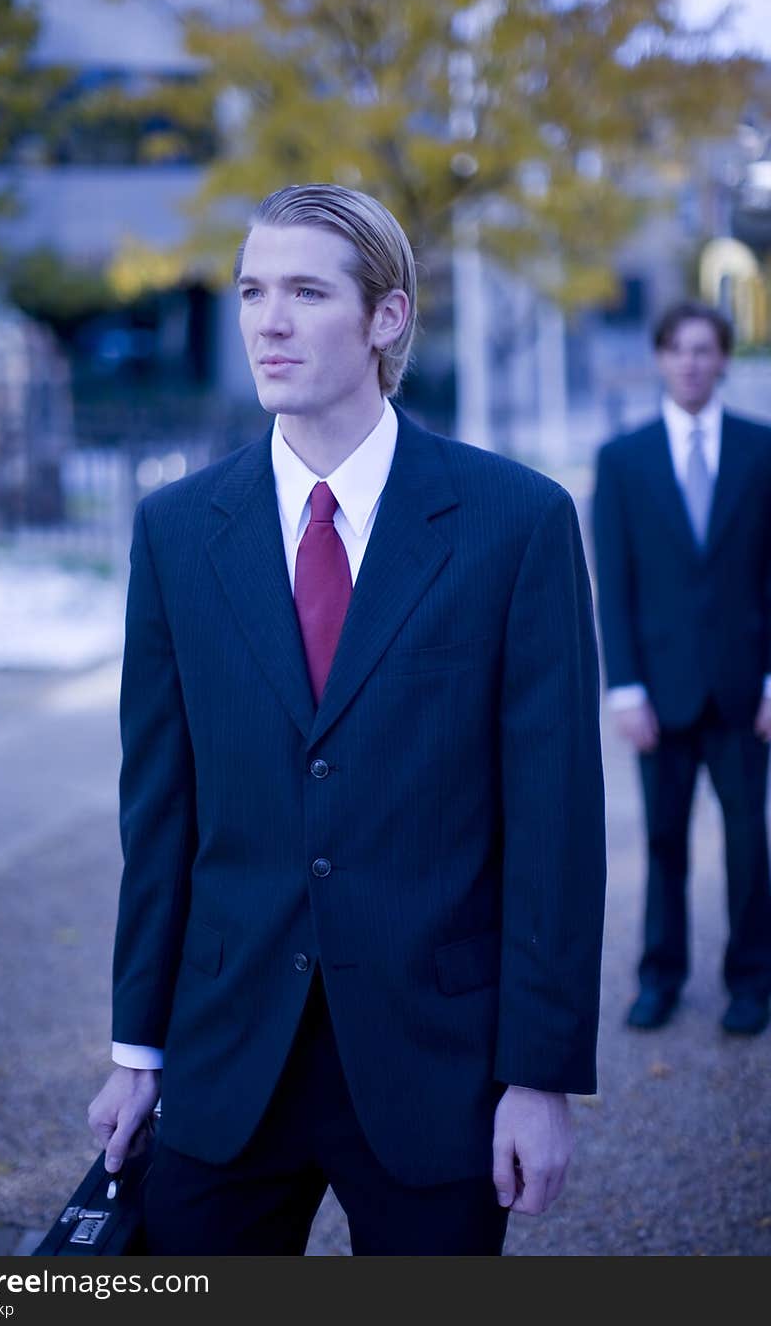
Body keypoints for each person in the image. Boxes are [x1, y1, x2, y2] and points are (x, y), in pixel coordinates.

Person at [88, 183, 606, 1255]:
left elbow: (556, 826)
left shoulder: (518, 524)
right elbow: (159, 810)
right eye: (251, 291)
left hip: (440, 1063)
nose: (267, 322)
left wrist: (539, 1075)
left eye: (306, 291)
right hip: (228, 1057)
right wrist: (137, 1047)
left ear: (386, 317)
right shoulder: (180, 531)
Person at [592, 301, 771, 1038]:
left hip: (742, 691)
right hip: (659, 695)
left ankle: (751, 981)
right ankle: (658, 978)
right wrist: (624, 689)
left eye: (704, 350)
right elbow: (616, 582)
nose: (691, 362)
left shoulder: (763, 449)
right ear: (661, 360)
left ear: (723, 359)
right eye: (677, 350)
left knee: (746, 843)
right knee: (662, 842)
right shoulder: (623, 459)